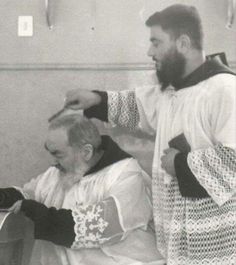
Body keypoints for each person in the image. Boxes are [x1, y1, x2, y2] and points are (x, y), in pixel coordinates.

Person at [64, 4, 236, 265]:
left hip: (216, 245)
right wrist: (95, 100)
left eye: (156, 43)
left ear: (183, 43)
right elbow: (136, 106)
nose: (149, 51)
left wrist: (180, 164)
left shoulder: (225, 89)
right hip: (176, 242)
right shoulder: (170, 90)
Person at [0, 114, 164, 265]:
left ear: (86, 152)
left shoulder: (126, 174)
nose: (53, 162)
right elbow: (31, 194)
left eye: (59, 154)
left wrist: (36, 211)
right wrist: (4, 197)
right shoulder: (59, 172)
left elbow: (97, 226)